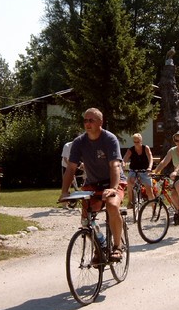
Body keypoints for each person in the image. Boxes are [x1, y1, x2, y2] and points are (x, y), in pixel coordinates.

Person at [60, 108, 127, 262]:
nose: (87, 123)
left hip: (113, 181)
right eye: (85, 120)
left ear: (100, 122)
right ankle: (99, 245)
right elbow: (71, 168)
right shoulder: (79, 142)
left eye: (91, 120)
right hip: (93, 183)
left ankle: (117, 247)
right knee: (86, 218)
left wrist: (113, 188)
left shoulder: (109, 139)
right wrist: (64, 192)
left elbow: (115, 165)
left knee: (112, 205)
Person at [122, 133, 154, 210]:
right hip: (134, 170)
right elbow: (124, 159)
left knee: (149, 190)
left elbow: (151, 158)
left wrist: (149, 167)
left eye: (138, 141)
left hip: (144, 170)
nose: (136, 143)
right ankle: (131, 201)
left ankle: (154, 208)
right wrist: (122, 165)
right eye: (135, 142)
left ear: (141, 141)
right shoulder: (131, 150)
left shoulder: (145, 148)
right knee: (129, 182)